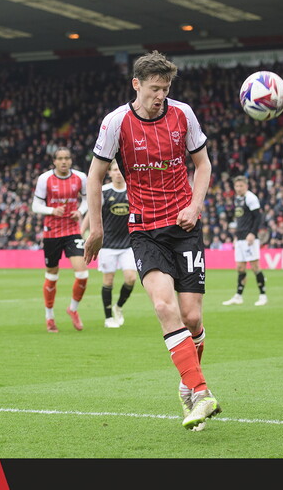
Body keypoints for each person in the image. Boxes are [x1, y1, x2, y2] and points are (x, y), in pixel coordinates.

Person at [84, 50, 220, 431]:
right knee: (164, 306)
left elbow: (203, 164)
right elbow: (94, 176)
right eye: (155, 88)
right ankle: (201, 391)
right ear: (136, 84)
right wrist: (95, 228)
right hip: (144, 229)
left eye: (166, 88)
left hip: (185, 226)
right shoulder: (115, 123)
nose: (161, 95)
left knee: (192, 317)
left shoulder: (183, 114)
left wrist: (195, 205)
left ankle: (186, 384)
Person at [31, 147, 89, 333]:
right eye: (60, 159)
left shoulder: (80, 177)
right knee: (52, 275)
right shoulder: (44, 179)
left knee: (82, 273)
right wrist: (51, 210)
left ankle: (73, 309)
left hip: (72, 230)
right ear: (54, 161)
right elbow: (35, 205)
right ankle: (49, 317)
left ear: (71, 160)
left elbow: (88, 199)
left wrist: (80, 211)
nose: (64, 162)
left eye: (67, 158)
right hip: (51, 232)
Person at [82, 160, 137, 328]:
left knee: (131, 278)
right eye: (114, 170)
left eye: (120, 169)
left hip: (128, 244)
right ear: (110, 173)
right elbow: (92, 213)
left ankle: (118, 307)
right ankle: (108, 318)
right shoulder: (104, 191)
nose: (118, 172)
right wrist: (82, 231)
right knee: (108, 281)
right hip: (107, 245)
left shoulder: (132, 190)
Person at [222, 175, 268, 306]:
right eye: (236, 186)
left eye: (241, 186)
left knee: (255, 267)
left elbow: (258, 217)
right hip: (241, 237)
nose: (238, 188)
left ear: (246, 186)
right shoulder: (237, 198)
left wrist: (253, 233)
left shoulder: (251, 198)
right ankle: (238, 296)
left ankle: (263, 295)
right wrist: (237, 236)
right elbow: (240, 219)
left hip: (249, 238)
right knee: (240, 267)